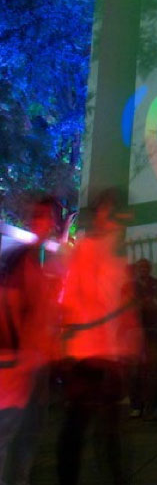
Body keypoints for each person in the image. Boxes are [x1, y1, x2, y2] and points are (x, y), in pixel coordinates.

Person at [57, 187, 139, 485]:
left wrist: (129, 344)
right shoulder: (87, 249)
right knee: (80, 426)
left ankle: (115, 478)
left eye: (114, 211)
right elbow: (68, 300)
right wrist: (67, 345)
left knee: (109, 429)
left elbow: (121, 307)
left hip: (110, 355)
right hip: (86, 354)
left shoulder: (119, 259)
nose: (110, 218)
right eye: (105, 211)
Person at [0, 194, 63, 485]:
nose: (44, 223)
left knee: (28, 435)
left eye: (48, 218)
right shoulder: (16, 260)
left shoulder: (42, 264)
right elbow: (7, 309)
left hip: (37, 364)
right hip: (17, 367)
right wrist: (16, 358)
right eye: (39, 216)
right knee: (8, 437)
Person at [126, 258, 157, 418]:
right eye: (140, 267)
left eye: (146, 267)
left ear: (150, 268)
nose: (143, 269)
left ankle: (152, 404)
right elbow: (125, 306)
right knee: (135, 370)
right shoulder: (129, 286)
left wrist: (150, 302)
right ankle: (137, 405)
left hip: (152, 330)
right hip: (135, 331)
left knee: (153, 368)